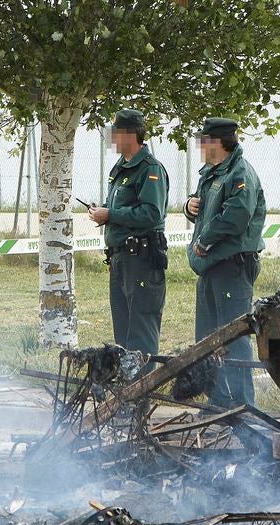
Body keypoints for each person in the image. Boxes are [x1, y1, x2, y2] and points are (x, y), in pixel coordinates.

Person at [185, 118, 267, 408]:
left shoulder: (240, 173)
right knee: (208, 338)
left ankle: (243, 407)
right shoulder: (211, 171)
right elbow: (204, 206)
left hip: (231, 266)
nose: (200, 145)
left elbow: (236, 215)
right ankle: (218, 402)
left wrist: (205, 240)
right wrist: (190, 206)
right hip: (210, 267)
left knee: (234, 339)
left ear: (217, 142)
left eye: (203, 139)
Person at [87, 109, 170, 360]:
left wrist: (111, 215)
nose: (112, 139)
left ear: (131, 135)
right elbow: (121, 206)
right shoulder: (120, 167)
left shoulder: (149, 168)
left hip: (142, 259)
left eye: (116, 133)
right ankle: (126, 394)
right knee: (122, 333)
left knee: (140, 332)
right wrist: (102, 212)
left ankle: (141, 395)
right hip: (120, 259)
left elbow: (152, 213)